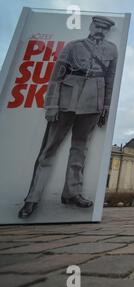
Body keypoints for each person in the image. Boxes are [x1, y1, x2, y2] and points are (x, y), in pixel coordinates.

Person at [18, 16, 118, 219]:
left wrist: (105, 107)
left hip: (93, 102)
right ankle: (32, 198)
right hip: (67, 98)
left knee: (80, 150)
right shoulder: (74, 46)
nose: (99, 30)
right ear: (91, 26)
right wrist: (52, 105)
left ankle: (72, 193)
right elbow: (56, 77)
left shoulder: (111, 50)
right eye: (97, 26)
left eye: (103, 28)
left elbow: (110, 80)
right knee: (49, 149)